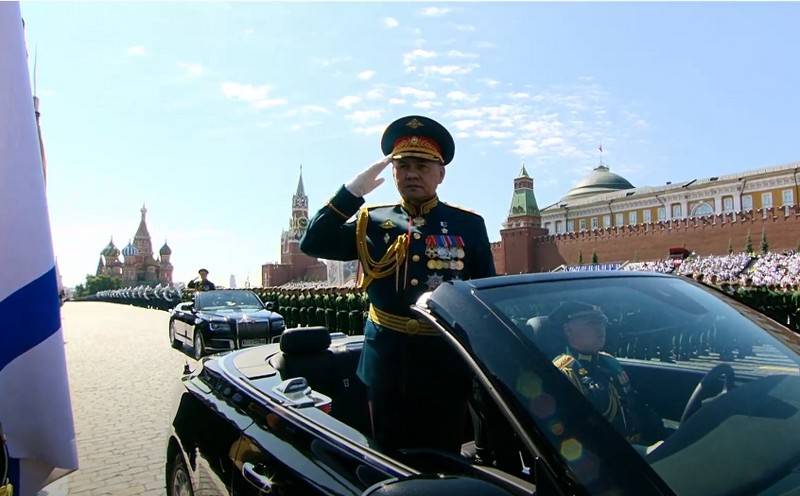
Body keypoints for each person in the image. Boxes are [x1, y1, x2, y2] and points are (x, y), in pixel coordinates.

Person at [300, 115, 496, 453]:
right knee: (388, 457)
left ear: (440, 173)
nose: (411, 173)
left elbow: (484, 297)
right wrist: (351, 192)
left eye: (422, 165)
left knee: (444, 458)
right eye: (402, 165)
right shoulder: (372, 222)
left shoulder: (468, 225)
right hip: (386, 363)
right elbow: (313, 242)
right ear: (392, 172)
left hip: (443, 363)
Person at [551, 302, 663, 445]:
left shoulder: (609, 361)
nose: (601, 329)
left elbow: (633, 404)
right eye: (592, 323)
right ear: (568, 330)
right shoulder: (565, 372)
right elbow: (578, 433)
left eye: (602, 322)